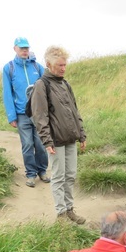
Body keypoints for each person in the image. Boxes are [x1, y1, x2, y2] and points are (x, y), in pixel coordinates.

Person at [30, 45, 87, 224]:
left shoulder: (65, 84)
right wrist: (46, 140)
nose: (64, 68)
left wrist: (81, 134)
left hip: (70, 137)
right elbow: (40, 116)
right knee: (58, 176)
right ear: (48, 64)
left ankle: (70, 210)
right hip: (55, 140)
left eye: (65, 65)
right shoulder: (42, 85)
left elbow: (74, 111)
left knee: (70, 175)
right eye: (60, 65)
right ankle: (61, 214)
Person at [2, 36, 49, 188]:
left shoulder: (37, 67)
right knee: (27, 144)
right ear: (15, 48)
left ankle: (42, 171)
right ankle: (30, 174)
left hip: (39, 114)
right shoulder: (9, 68)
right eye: (21, 48)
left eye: (26, 48)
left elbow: (48, 88)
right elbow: (7, 93)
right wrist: (11, 116)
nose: (24, 50)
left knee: (41, 144)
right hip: (22, 114)